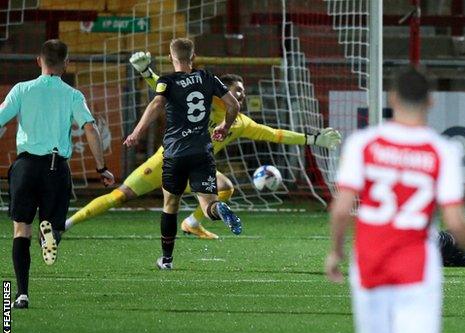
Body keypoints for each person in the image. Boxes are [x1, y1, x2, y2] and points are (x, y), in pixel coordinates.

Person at [65, 52, 341, 239]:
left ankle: (191, 224)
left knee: (225, 188)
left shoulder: (242, 122)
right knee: (120, 196)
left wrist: (313, 139)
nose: (242, 95)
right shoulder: (201, 106)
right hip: (166, 163)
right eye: (237, 90)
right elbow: (167, 90)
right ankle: (64, 224)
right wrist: (146, 72)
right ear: (222, 90)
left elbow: (276, 134)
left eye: (244, 91)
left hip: (196, 169)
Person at [325, 67, 465, 333]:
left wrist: (335, 252)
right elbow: (454, 219)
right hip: (416, 265)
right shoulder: (442, 150)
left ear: (391, 98)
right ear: (431, 101)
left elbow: (341, 209)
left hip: (369, 262)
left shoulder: (362, 143)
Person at [0, 39, 114, 309]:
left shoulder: (22, 89)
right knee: (54, 223)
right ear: (66, 64)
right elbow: (90, 128)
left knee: (20, 230)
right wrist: (101, 168)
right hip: (55, 167)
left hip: (26, 167)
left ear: (39, 60)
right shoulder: (72, 95)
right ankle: (49, 233)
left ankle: (22, 294)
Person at [123, 38, 242, 270]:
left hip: (175, 152)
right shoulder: (208, 78)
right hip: (202, 152)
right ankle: (221, 210)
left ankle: (166, 260)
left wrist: (136, 132)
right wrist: (225, 127)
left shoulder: (167, 81)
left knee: (170, 205)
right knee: (209, 205)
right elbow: (234, 105)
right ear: (193, 57)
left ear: (170, 58)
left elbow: (156, 104)